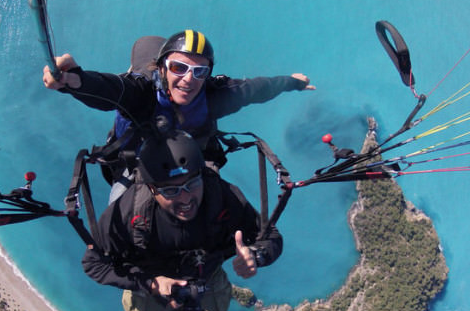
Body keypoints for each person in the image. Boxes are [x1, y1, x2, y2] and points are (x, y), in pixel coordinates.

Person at [42, 29, 314, 195]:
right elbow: (111, 90)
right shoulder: (143, 93)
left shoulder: (214, 96)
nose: (188, 79)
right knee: (123, 208)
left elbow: (257, 89)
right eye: (178, 68)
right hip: (136, 167)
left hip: (191, 164)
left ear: (208, 74)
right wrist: (74, 81)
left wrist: (292, 82)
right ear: (161, 68)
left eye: (199, 72)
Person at [81, 130, 283, 311]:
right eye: (170, 191)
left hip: (204, 274)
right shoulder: (127, 212)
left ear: (201, 174)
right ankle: (142, 301)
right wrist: (149, 283)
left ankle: (184, 305)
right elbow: (93, 264)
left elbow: (270, 236)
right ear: (151, 188)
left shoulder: (221, 195)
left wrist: (256, 256)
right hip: (154, 280)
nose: (185, 199)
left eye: (192, 184)